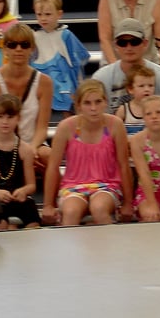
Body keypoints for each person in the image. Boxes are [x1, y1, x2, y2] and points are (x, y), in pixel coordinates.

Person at [42, 80, 133, 227]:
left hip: (107, 185)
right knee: (70, 211)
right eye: (87, 103)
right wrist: (48, 204)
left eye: (98, 102)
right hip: (73, 186)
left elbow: (124, 165)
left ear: (105, 102)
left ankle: (111, 241)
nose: (93, 108)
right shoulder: (66, 127)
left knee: (99, 208)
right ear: (78, 106)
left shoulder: (115, 125)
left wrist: (128, 202)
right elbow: (53, 166)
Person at [0, 23, 55, 177]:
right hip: (1, 142)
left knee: (50, 156)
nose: (18, 49)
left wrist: (31, 150)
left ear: (32, 49)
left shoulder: (45, 82)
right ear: (5, 49)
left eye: (24, 44)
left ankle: (55, 194)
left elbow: (42, 128)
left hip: (34, 143)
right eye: (12, 45)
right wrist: (18, 151)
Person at [91, 17, 160, 127]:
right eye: (123, 43)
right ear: (115, 45)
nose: (129, 47)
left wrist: (156, 135)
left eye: (134, 42)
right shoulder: (101, 78)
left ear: (145, 43)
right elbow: (90, 119)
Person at [0, 93, 41, 231]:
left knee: (32, 221)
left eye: (10, 117)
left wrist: (23, 191)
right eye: (0, 117)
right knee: (0, 224)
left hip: (17, 198)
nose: (5, 122)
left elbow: (31, 185)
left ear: (18, 119)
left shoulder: (25, 149)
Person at [30, 0, 89, 119]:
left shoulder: (66, 35)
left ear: (59, 14)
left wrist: (79, 85)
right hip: (41, 77)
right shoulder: (33, 36)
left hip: (63, 79)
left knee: (67, 104)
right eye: (39, 14)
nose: (43, 18)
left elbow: (76, 61)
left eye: (48, 14)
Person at [116, 64, 156, 134]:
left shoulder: (157, 109)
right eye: (141, 86)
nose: (147, 89)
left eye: (150, 85)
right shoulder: (123, 110)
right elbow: (114, 132)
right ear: (130, 89)